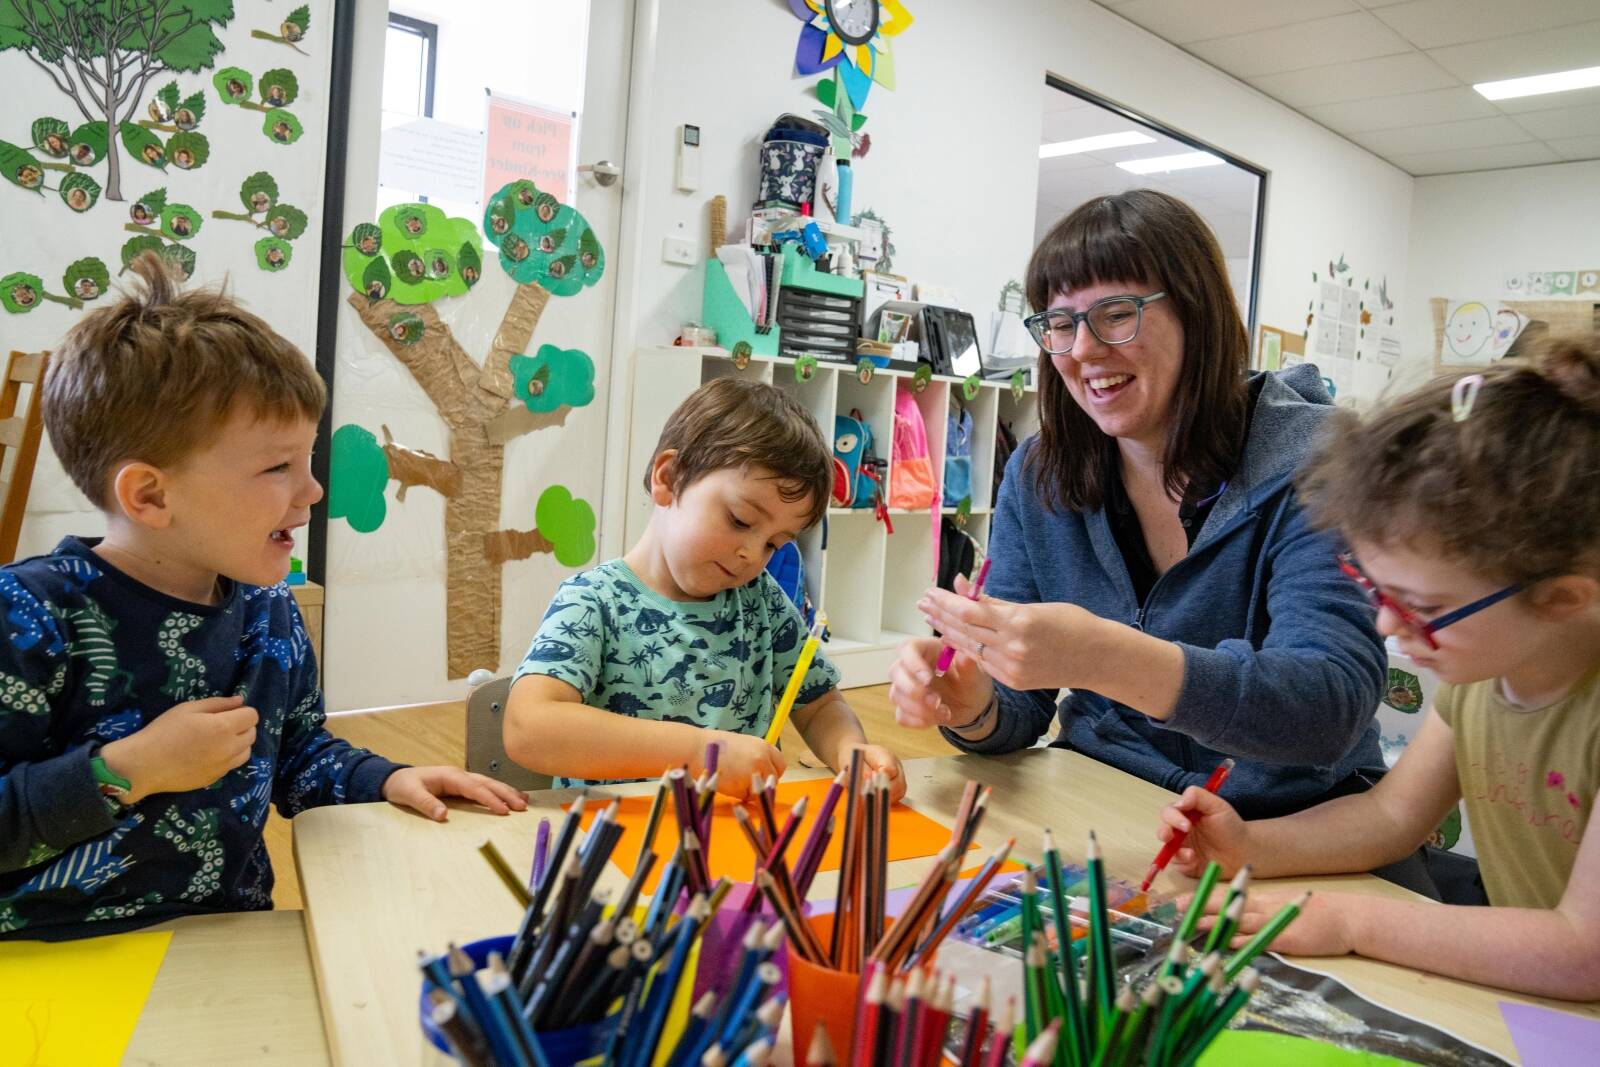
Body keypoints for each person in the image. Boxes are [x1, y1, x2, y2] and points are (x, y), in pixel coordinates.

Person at [0, 254, 525, 938]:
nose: (312, 491)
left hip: (228, 940)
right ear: (151, 495)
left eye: (306, 460)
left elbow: (299, 753)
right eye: (278, 466)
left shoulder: (269, 610)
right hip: (50, 959)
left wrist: (386, 777)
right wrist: (127, 770)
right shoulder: (30, 616)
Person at [890, 190, 1388, 825]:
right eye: (1060, 324)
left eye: (1117, 314)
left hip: (1293, 827)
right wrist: (973, 702)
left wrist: (1102, 656)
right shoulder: (1040, 473)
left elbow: (1327, 708)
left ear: (1198, 315)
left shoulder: (1321, 461)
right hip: (1108, 802)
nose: (1083, 351)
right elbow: (1021, 709)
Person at [1155, 337, 1600, 1000]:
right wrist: (1250, 845)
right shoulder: (1485, 668)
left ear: (1563, 597)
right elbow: (1395, 815)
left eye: (1420, 606)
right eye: (1377, 590)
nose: (1388, 625)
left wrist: (1353, 919)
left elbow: (1581, 950)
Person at [504, 377, 903, 801]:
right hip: (616, 846)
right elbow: (527, 727)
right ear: (669, 477)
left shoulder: (761, 601)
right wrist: (699, 753)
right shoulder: (593, 601)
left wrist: (850, 750)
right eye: (740, 520)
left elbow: (820, 705)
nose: (752, 553)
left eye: (774, 544)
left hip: (737, 842)